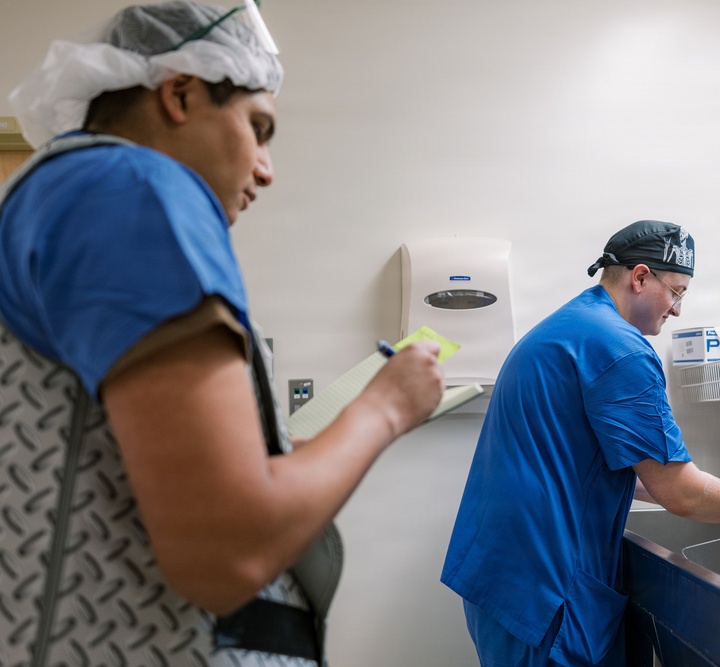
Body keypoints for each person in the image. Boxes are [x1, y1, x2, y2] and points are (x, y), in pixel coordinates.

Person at [0, 2, 444, 665]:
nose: (265, 169)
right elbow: (227, 548)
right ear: (180, 92)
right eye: (257, 128)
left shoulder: (68, 191)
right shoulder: (133, 187)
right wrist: (385, 407)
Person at [441, 220, 720, 667]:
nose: (676, 310)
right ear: (639, 278)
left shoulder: (572, 327)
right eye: (676, 292)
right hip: (546, 588)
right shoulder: (620, 350)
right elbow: (681, 493)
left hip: (507, 577)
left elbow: (601, 467)